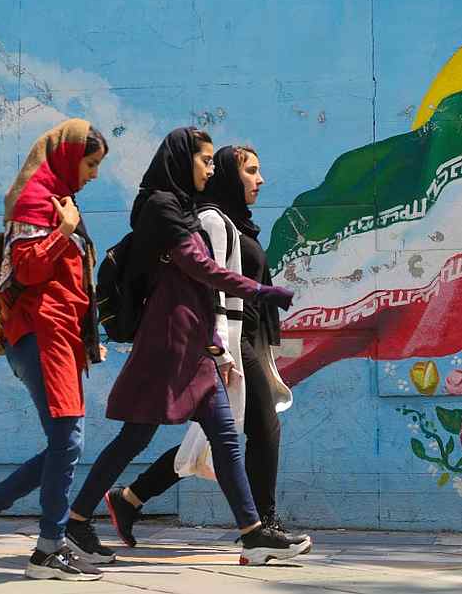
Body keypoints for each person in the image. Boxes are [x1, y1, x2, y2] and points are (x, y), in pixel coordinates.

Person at [63, 127, 309, 566]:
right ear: (181, 160)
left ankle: (252, 534)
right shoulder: (162, 207)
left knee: (227, 439)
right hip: (167, 344)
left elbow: (193, 288)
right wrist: (261, 292)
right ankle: (77, 522)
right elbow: (199, 268)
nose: (211, 170)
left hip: (193, 343)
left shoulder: (178, 207)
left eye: (214, 162)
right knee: (132, 439)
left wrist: (216, 344)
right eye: (205, 160)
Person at [0, 119, 108, 581]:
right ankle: (47, 548)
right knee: (68, 440)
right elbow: (26, 269)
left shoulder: (58, 197)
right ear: (68, 155)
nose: (94, 174)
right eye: (91, 163)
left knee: (65, 442)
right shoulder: (35, 199)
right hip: (42, 332)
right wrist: (64, 231)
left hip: (58, 335)